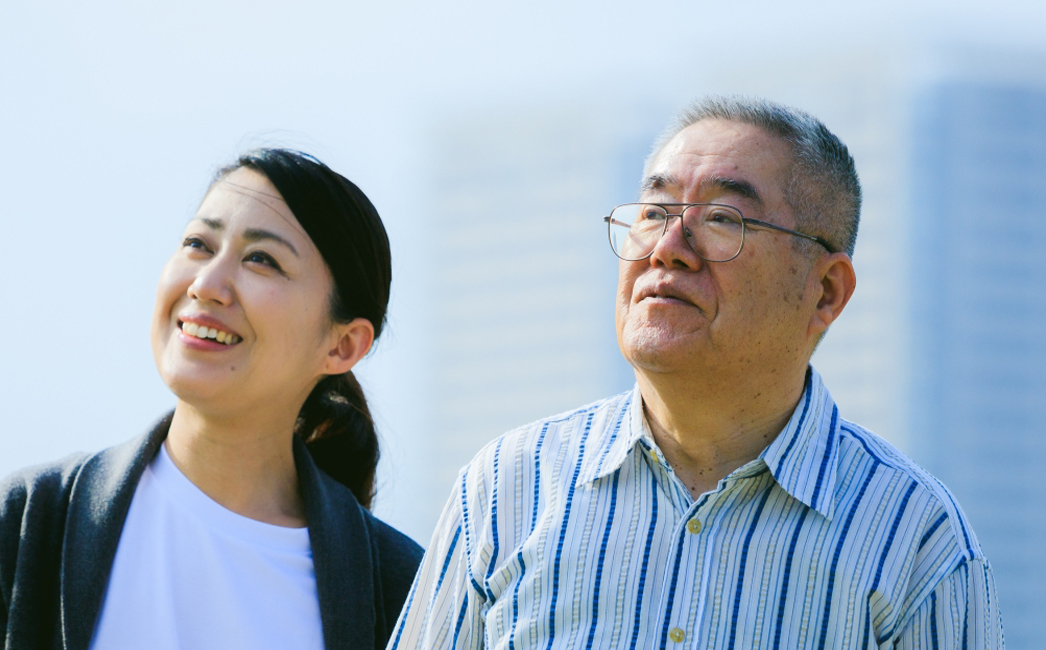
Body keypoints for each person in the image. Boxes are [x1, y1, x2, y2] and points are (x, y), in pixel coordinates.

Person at [391, 97, 1001, 649]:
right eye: (654, 212)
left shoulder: (915, 538)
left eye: (724, 219)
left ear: (825, 291)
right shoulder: (507, 489)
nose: (668, 246)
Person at [0, 149, 422, 650]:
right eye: (198, 244)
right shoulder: (29, 526)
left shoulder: (406, 595)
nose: (206, 285)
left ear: (342, 345)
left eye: (261, 260)